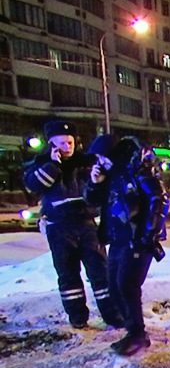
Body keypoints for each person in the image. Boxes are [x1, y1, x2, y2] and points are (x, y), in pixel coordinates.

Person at [22, 120, 124, 329]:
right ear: (51, 144)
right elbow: (35, 185)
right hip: (58, 227)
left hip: (86, 225)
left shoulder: (86, 162)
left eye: (69, 142)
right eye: (60, 143)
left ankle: (113, 315)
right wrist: (53, 165)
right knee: (68, 276)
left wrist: (98, 180)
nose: (66, 147)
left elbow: (103, 187)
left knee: (101, 273)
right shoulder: (40, 163)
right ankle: (78, 317)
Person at [85, 138, 168, 356]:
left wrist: (148, 234)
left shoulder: (136, 167)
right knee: (114, 286)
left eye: (102, 156)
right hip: (118, 238)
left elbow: (158, 198)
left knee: (126, 284)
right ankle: (132, 332)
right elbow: (92, 201)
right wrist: (95, 182)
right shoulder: (110, 174)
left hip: (137, 237)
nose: (100, 161)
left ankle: (137, 335)